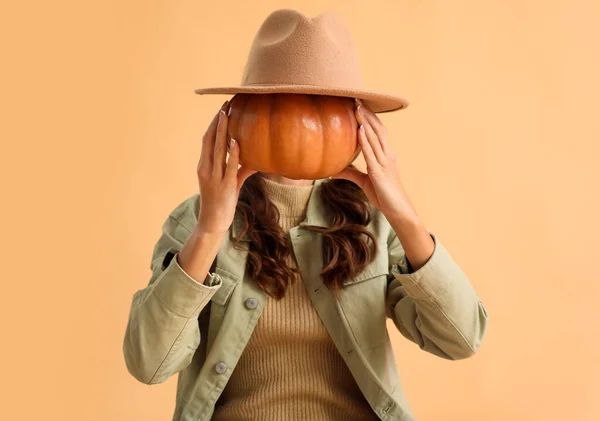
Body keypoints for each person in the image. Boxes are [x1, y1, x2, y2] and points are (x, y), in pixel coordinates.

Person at [122, 8, 488, 421]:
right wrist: (210, 230)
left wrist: (401, 211)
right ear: (241, 114)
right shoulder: (193, 221)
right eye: (278, 102)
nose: (301, 124)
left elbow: (461, 338)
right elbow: (149, 364)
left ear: (358, 123)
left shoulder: (375, 222)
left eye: (324, 107)